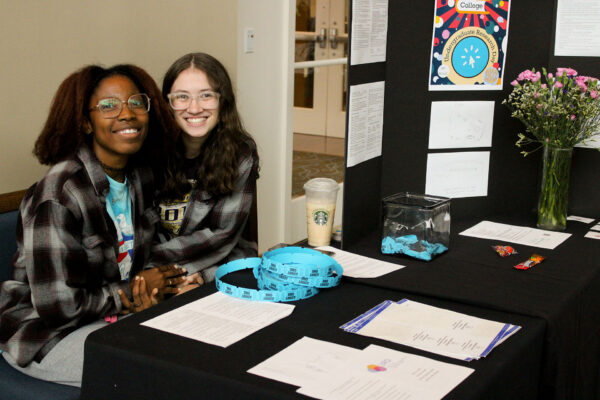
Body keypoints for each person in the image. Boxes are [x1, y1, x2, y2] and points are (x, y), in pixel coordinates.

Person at [0, 64, 186, 387]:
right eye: (109, 106)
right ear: (86, 122)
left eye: (136, 103)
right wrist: (131, 292)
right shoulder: (58, 195)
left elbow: (138, 262)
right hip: (49, 334)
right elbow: (59, 307)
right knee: (157, 374)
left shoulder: (139, 177)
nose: (126, 114)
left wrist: (150, 288)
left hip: (110, 319)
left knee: (195, 353)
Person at [151, 53, 259, 288]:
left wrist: (183, 273)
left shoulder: (241, 153)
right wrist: (162, 273)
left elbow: (222, 234)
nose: (194, 108)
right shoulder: (150, 150)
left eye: (206, 96)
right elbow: (143, 227)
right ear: (167, 103)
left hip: (221, 263)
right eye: (182, 97)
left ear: (223, 101)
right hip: (155, 269)